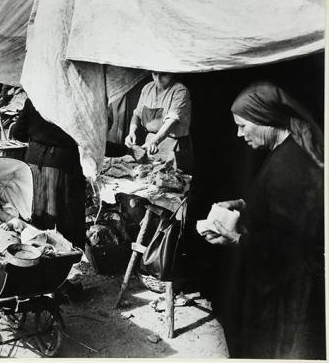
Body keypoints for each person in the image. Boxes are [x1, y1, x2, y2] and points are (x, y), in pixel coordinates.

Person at [202, 81, 324, 359]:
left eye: (243, 126)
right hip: (275, 282)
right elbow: (280, 210)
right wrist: (243, 206)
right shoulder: (284, 152)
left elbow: (292, 246)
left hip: (283, 296)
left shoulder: (289, 167)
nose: (238, 133)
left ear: (266, 120)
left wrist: (237, 239)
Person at [11, 98, 86, 250]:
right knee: (66, 216)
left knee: (34, 214)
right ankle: (65, 255)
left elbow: (18, 132)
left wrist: (38, 138)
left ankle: (34, 251)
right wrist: (126, 150)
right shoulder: (76, 100)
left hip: (33, 162)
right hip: (59, 164)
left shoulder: (35, 96)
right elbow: (89, 139)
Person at [125, 71, 193, 173]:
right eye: (155, 74)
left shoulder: (180, 90)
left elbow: (171, 121)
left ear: (172, 73)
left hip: (173, 146)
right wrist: (131, 132)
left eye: (163, 74)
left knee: (171, 180)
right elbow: (137, 114)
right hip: (150, 144)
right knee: (149, 179)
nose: (158, 78)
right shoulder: (147, 88)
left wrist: (155, 141)